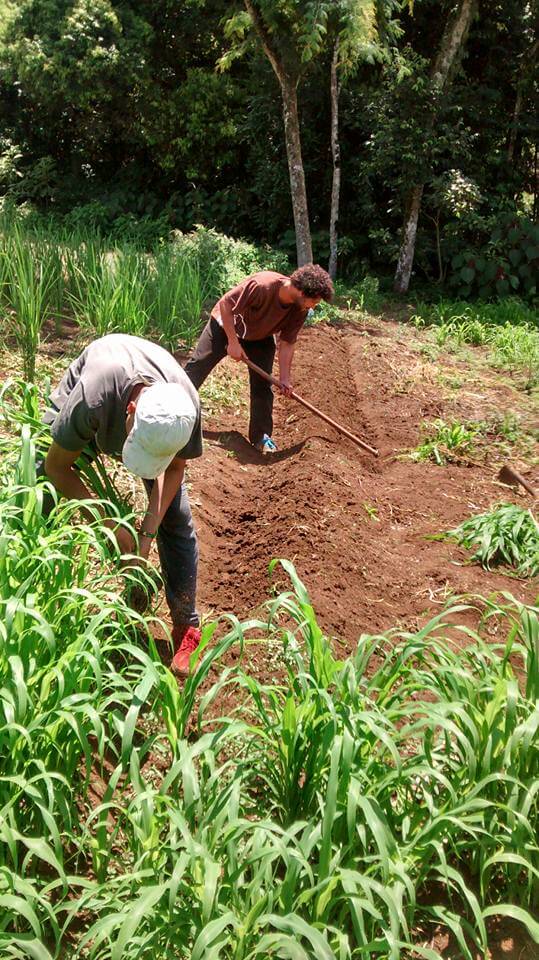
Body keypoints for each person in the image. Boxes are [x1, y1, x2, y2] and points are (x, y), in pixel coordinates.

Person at [41, 333, 203, 678]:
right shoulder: (92, 398)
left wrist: (146, 535)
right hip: (96, 391)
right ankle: (39, 599)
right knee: (41, 491)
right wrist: (107, 522)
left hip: (143, 407)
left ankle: (186, 625)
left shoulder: (184, 407)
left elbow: (174, 468)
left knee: (176, 519)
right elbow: (58, 467)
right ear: (131, 411)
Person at [184, 264, 334, 453]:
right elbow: (226, 304)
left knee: (263, 384)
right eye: (315, 302)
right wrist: (233, 342)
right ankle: (172, 410)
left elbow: (287, 343)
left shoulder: (299, 310)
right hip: (225, 326)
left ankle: (261, 437)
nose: (312, 307)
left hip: (260, 336)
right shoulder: (262, 285)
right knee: (198, 366)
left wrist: (285, 378)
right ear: (303, 292)